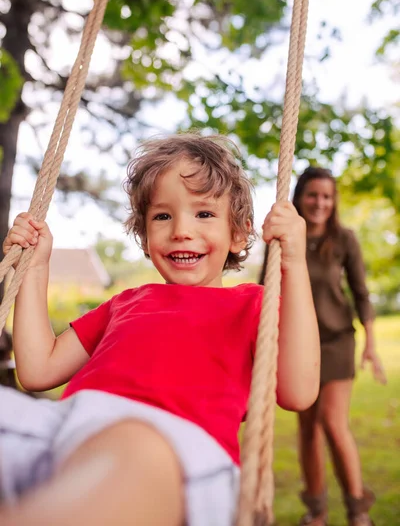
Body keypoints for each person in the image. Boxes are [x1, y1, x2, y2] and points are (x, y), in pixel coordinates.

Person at [0, 134, 320, 526]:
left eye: (204, 214)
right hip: (66, 433)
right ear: (145, 235)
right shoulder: (126, 303)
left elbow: (299, 391)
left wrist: (294, 265)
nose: (181, 230)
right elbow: (37, 370)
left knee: (135, 450)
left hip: (176, 451)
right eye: (162, 216)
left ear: (239, 233)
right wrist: (34, 268)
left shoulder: (252, 305)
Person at [259, 166, 386, 526]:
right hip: (299, 344)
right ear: (299, 197)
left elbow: (361, 294)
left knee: (332, 422)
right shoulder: (282, 239)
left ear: (334, 201)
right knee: (307, 430)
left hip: (336, 341)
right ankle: (317, 511)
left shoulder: (344, 239)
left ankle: (357, 509)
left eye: (327, 196)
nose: (320, 202)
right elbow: (265, 292)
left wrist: (371, 345)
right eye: (313, 194)